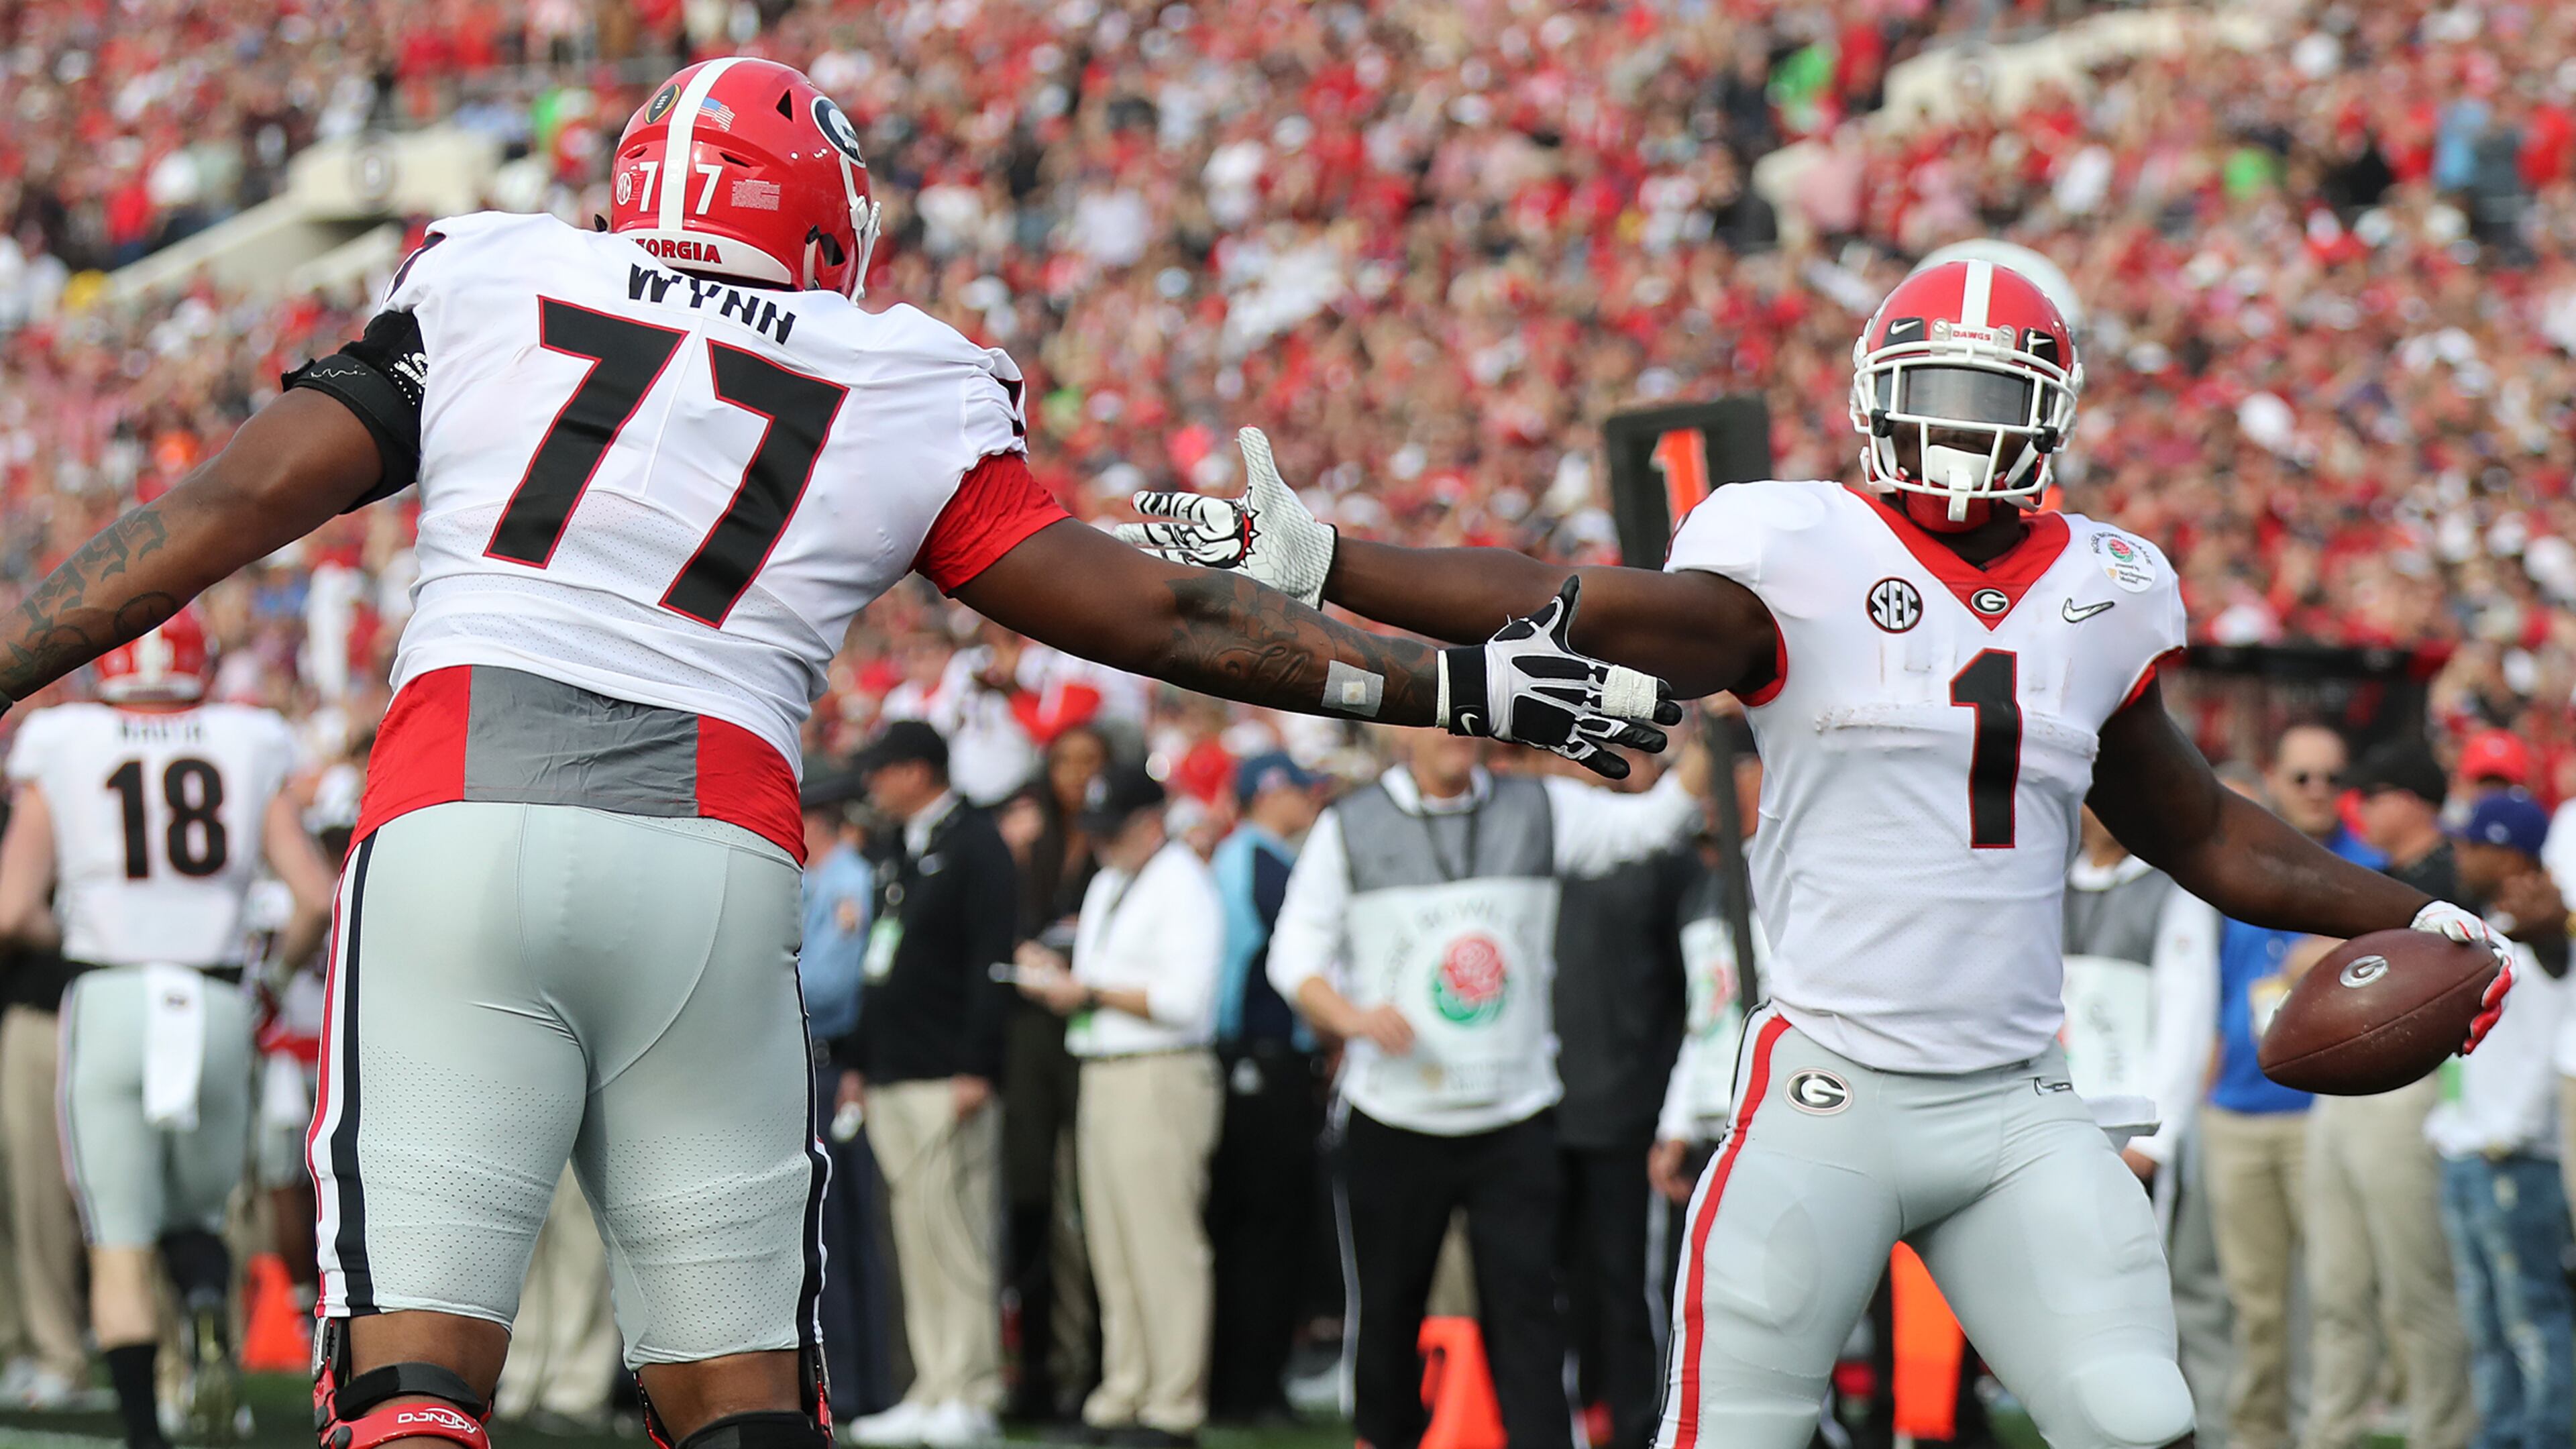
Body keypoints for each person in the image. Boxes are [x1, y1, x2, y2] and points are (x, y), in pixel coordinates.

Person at [0, 55, 1674, 1449]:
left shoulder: (494, 275)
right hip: (715, 872)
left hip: (461, 819)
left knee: (415, 1386)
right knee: (738, 1404)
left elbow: (219, 509)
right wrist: (1442, 687)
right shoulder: (899, 372)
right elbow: (1160, 619)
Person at [1123, 258, 2515, 1449]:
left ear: (2054, 414)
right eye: (1937, 392)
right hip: (1831, 1094)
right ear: (1872, 394)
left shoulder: (2107, 587)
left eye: (1993, 398)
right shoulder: (1794, 544)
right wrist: (1334, 559)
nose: (1961, 430)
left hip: (2022, 1107)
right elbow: (1575, 603)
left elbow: (2205, 830)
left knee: (2137, 1417)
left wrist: (2423, 911)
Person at [1266, 727, 1709, 1449]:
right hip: (1395, 1115)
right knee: (1386, 1320)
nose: (1456, 732)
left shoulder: (1538, 806)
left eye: (1468, 715)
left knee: (1531, 1322)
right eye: (1439, 716)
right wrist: (1350, 1018)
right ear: (1397, 730)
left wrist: (1712, 732)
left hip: (1515, 1116)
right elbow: (1294, 957)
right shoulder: (1350, 825)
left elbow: (1650, 825)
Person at [0, 612, 335, 1449]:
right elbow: (314, 898)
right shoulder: (246, 737)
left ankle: (147, 1433)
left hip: (110, 996)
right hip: (215, 993)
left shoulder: (64, 738)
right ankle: (198, 1297)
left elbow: (10, 908)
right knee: (200, 1216)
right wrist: (273, 978)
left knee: (117, 1234)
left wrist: (81, 929)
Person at [1015, 763, 1225, 1446]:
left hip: (1161, 1072)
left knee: (1163, 1242)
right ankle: (1124, 1391)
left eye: (1116, 830)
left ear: (1151, 824)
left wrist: (1089, 991)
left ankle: (1174, 1403)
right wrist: (1063, 978)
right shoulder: (1110, 883)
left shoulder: (1186, 884)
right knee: (1110, 1242)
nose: (1103, 844)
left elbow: (1184, 1000)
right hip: (1104, 1069)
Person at [843, 719, 1016, 1448]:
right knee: (914, 1238)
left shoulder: (977, 846)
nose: (874, 785)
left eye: (884, 770)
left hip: (949, 1073)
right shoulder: (898, 850)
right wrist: (858, 1063)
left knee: (957, 1235)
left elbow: (991, 962)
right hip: (891, 1073)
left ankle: (971, 1390)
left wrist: (978, 1064)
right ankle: (933, 1383)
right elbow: (876, 970)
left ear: (919, 771)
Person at [2306, 741, 2471, 1449]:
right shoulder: (2386, 877)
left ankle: (2443, 1435)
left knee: (2417, 1291)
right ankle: (2331, 1435)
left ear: (2406, 799)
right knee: (2336, 1290)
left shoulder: (2459, 876)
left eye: (2371, 797)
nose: (2361, 811)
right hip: (2345, 1093)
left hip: (2413, 1093)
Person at [2061, 808, 2230, 1448]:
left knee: (2142, 1307)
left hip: (2133, 1141)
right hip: (2062, 1128)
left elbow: (2188, 1018)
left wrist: (2155, 1138)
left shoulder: (2172, 888)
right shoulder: (2054, 883)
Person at [1548, 751, 1696, 1449]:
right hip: (1543, 1106)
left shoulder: (1662, 857)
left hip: (1629, 1105)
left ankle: (1644, 1428)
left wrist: (1666, 1096)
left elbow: (1688, 992)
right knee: (1549, 1290)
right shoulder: (1538, 835)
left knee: (1628, 1286)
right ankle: (1576, 1423)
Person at [2432, 792, 2572, 1449]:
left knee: (2533, 1322)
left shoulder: (2546, 921)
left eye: (2472, 844)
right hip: (2471, 1148)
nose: (2460, 855)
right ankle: (2501, 1437)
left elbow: (2556, 1018)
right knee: (2487, 1326)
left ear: (2511, 852)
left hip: (2518, 1155)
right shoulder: (2488, 919)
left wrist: (2508, 1134)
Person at [1202, 751, 1326, 1424]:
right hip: (1261, 1059)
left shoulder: (1249, 857)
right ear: (1268, 794)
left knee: (1252, 1225)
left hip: (1250, 1057)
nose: (1308, 799)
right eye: (1298, 790)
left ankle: (1244, 1380)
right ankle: (1252, 1385)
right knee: (1266, 1225)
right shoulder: (1262, 863)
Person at [796, 767, 890, 1423]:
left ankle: (855, 1388)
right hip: (810, 1063)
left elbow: (829, 987)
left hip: (833, 1062)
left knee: (840, 1234)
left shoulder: (848, 881)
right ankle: (836, 1385)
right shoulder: (816, 882)